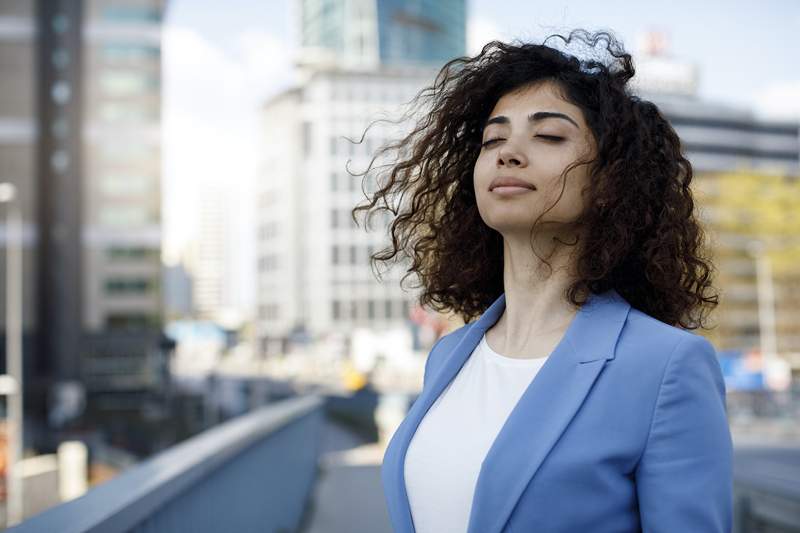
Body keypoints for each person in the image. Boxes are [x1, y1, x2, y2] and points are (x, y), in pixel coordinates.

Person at [352, 29, 733, 533]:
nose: (508, 152)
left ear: (609, 179)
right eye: (493, 139)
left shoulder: (667, 367)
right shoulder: (450, 355)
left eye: (549, 136)